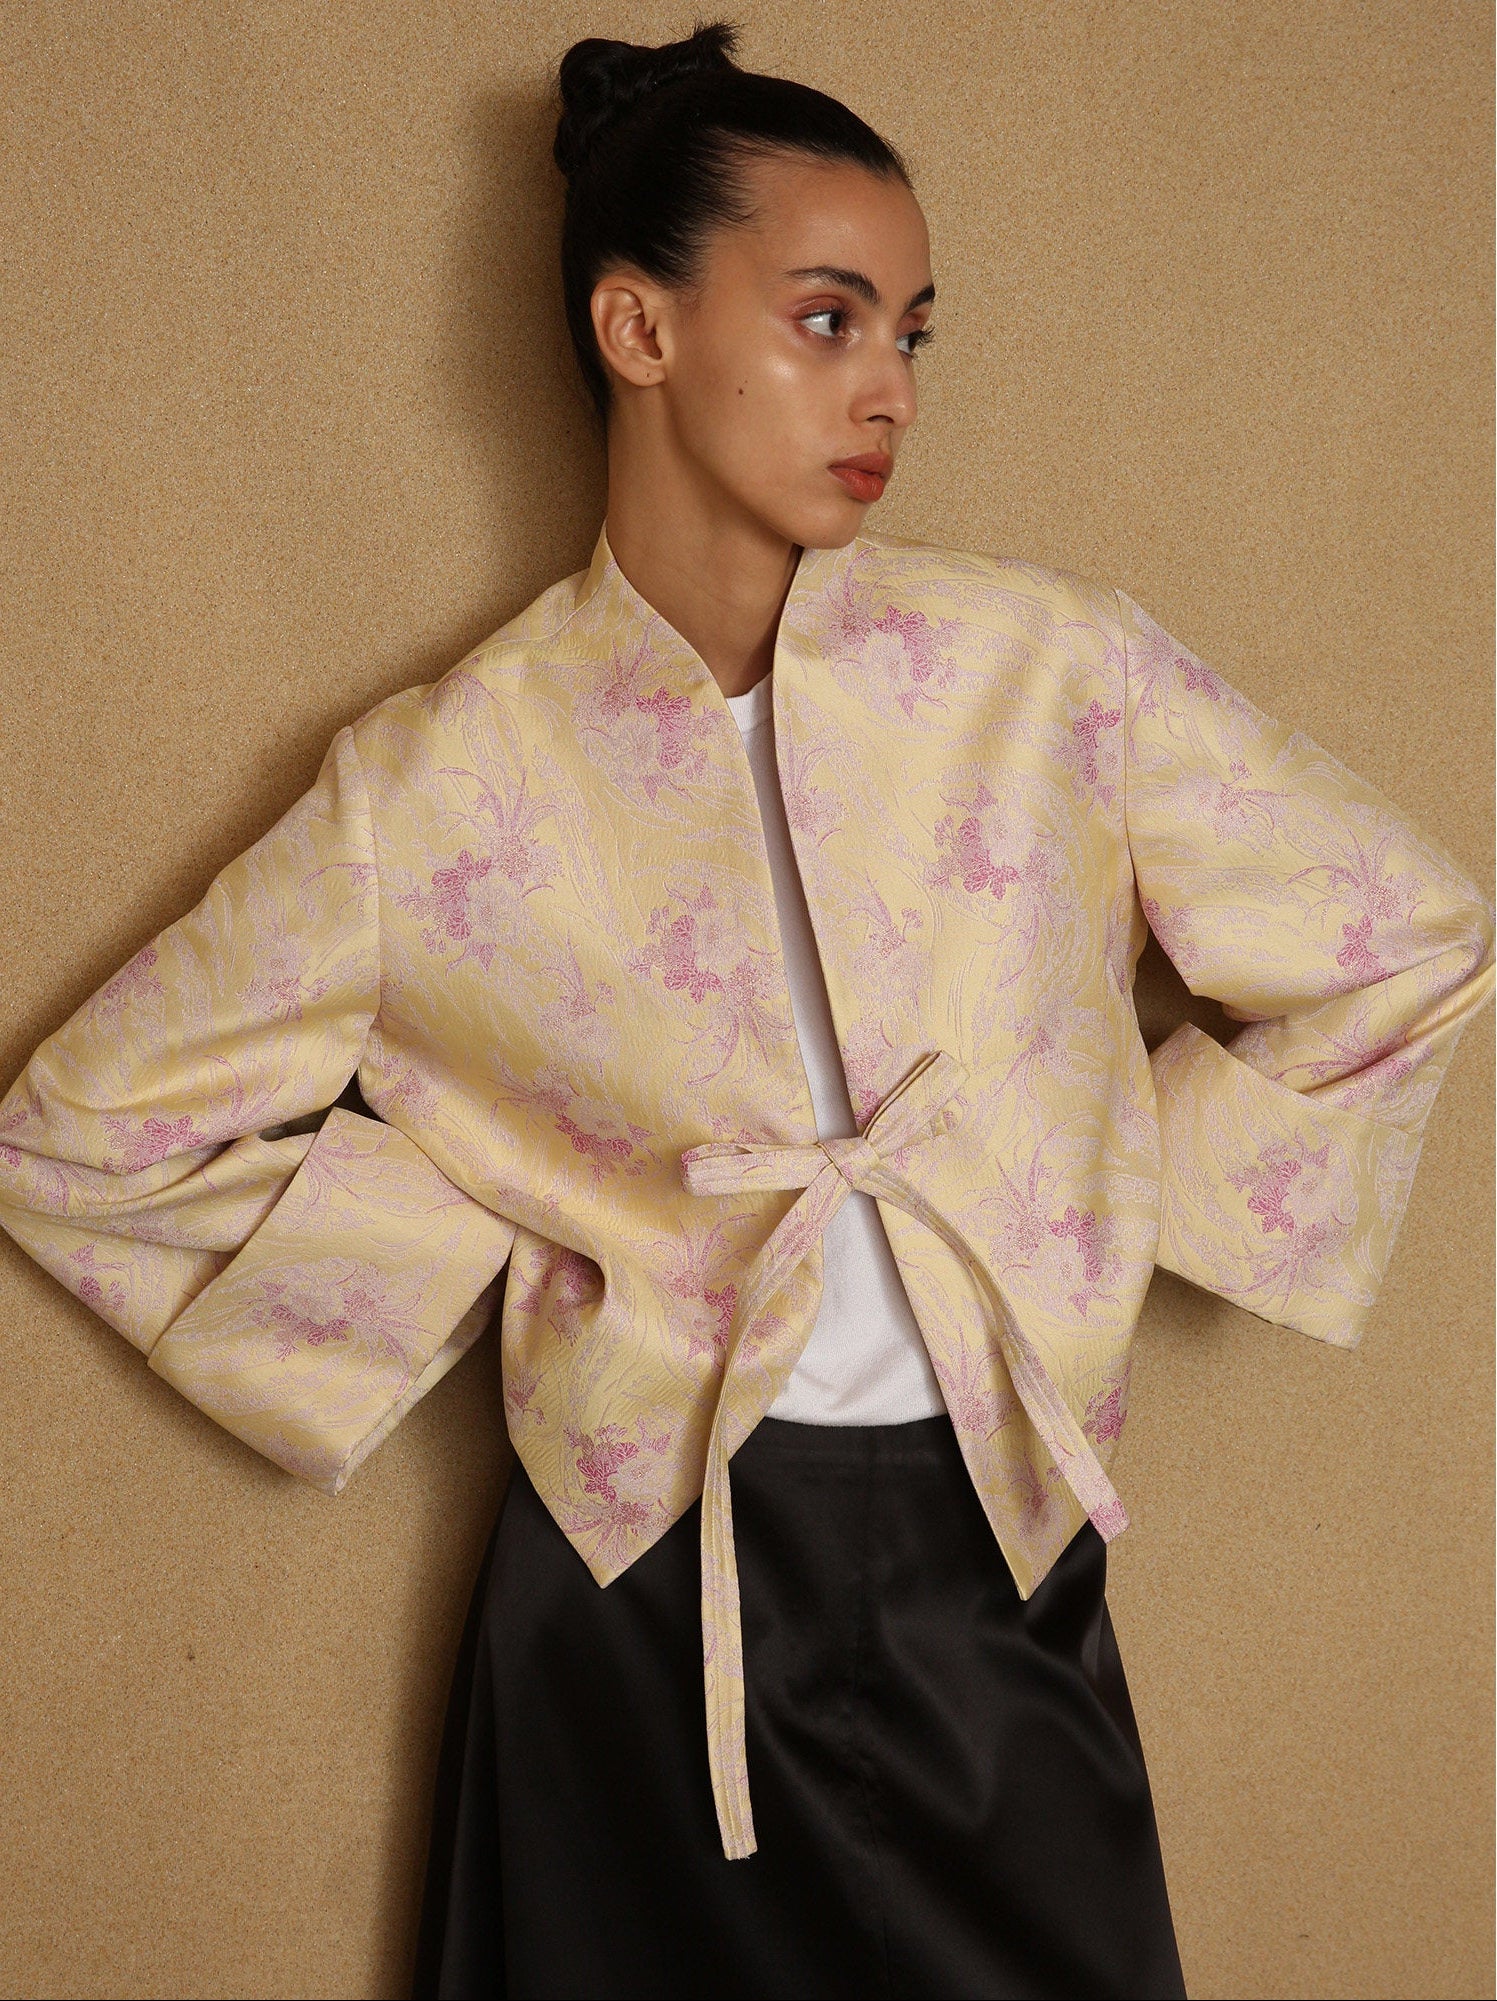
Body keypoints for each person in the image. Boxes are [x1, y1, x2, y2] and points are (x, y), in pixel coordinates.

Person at [0, 22, 1490, 2001]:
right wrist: (497, 1247)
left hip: (987, 1548)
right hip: (627, 1582)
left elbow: (1398, 933)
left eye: (909, 333)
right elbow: (83, 1130)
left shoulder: (1045, 672)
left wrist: (1095, 1203)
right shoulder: (441, 776)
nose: (883, 388)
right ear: (637, 325)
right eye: (823, 318)